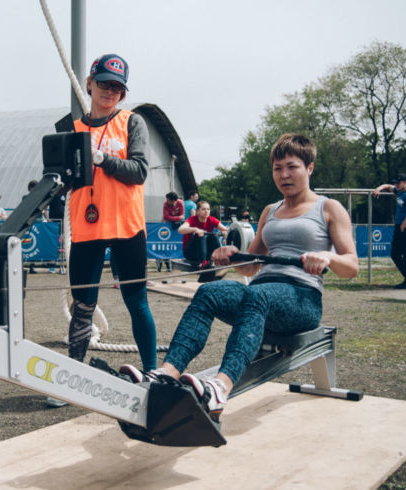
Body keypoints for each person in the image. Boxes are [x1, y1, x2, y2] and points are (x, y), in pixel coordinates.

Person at [121, 133, 358, 422]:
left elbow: (351, 265)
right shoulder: (271, 211)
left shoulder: (329, 208)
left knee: (258, 296)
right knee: (209, 293)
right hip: (261, 292)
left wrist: (328, 257)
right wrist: (233, 255)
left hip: (302, 300)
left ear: (309, 168)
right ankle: (166, 374)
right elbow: (251, 267)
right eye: (277, 168)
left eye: (292, 167)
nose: (283, 175)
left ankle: (221, 387)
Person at [67, 53, 157, 373]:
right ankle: (72, 378)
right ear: (89, 84)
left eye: (118, 88)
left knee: (137, 303)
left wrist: (103, 159)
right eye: (104, 83)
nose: (110, 91)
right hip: (87, 228)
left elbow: (139, 171)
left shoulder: (133, 121)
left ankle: (152, 373)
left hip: (127, 227)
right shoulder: (70, 127)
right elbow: (61, 176)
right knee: (82, 308)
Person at [372, 173, 406, 289]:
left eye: (399, 182)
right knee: (395, 254)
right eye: (396, 183)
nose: (396, 185)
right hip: (400, 226)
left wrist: (403, 226)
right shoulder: (399, 191)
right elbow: (387, 186)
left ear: (405, 182)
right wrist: (378, 189)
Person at [178, 201, 228, 266]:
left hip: (205, 252)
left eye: (208, 209)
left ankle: (218, 259)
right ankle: (203, 262)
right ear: (198, 211)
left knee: (213, 236)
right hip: (190, 253)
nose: (206, 211)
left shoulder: (212, 220)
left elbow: (226, 230)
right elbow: (180, 230)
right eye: (203, 209)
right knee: (201, 234)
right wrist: (195, 229)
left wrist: (225, 233)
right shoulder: (192, 220)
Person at [157, 191, 185, 272]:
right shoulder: (166, 204)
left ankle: (173, 264)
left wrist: (175, 219)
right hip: (166, 225)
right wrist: (177, 218)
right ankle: (162, 262)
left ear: (173, 200)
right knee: (164, 243)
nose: (167, 201)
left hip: (176, 226)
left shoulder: (180, 203)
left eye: (168, 200)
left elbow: (182, 216)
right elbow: (166, 216)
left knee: (175, 243)